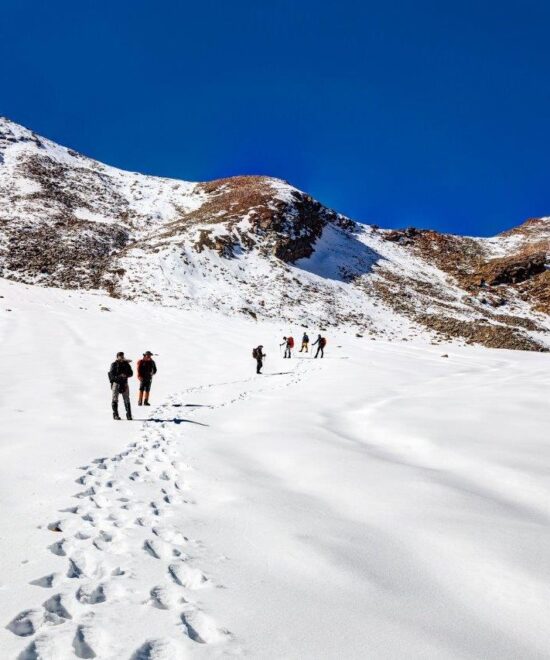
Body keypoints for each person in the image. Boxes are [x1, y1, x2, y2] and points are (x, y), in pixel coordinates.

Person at [108, 351, 133, 420]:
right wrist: (119, 376)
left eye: (122, 355)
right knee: (115, 399)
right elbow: (112, 375)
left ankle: (129, 415)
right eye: (120, 356)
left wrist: (126, 375)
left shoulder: (126, 364)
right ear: (117, 357)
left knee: (127, 399)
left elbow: (131, 373)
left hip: (124, 383)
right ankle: (115, 415)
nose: (122, 357)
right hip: (116, 383)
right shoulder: (114, 364)